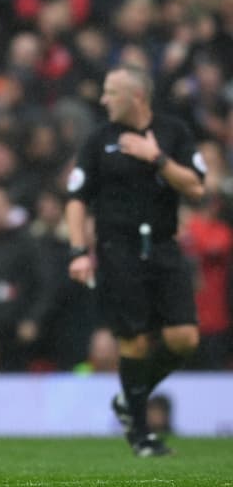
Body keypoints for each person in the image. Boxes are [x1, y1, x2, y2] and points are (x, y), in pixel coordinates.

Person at [65, 65, 204, 457]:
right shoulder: (99, 140)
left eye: (111, 92)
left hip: (162, 246)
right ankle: (141, 435)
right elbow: (76, 199)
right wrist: (79, 251)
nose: (103, 99)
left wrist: (157, 157)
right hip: (118, 249)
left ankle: (129, 400)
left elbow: (196, 187)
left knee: (184, 338)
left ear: (137, 96)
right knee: (136, 340)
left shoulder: (174, 133)